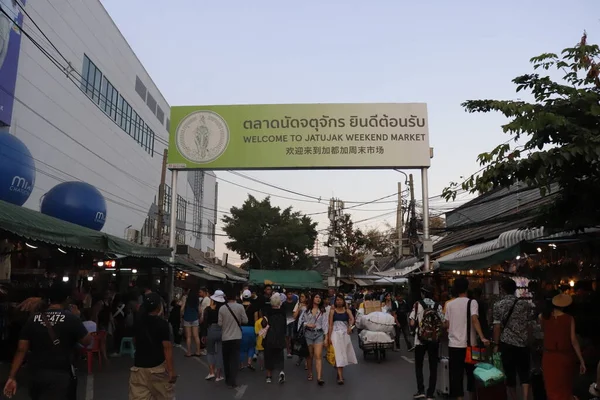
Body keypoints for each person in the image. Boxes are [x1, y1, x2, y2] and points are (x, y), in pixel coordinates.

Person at [3, 282, 92, 400]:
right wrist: (78, 317)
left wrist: (12, 377)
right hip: (60, 374)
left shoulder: (33, 318)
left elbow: (21, 349)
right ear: (67, 299)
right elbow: (86, 341)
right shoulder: (71, 318)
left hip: (35, 374)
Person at [444, 277, 490, 400]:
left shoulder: (449, 304)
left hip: (454, 345)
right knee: (471, 374)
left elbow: (447, 324)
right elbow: (475, 319)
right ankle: (471, 397)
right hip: (470, 345)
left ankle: (460, 398)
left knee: (456, 375)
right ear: (467, 288)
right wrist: (482, 337)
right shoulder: (472, 302)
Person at [129, 292, 177, 400]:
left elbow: (134, 341)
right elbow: (167, 348)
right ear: (159, 307)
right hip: (157, 369)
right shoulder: (162, 324)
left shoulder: (138, 321)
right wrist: (171, 370)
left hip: (138, 369)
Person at [493, 278, 534, 400]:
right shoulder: (525, 304)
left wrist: (496, 344)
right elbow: (529, 325)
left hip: (507, 343)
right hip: (523, 343)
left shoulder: (498, 305)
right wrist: (529, 340)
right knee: (524, 373)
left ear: (503, 290)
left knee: (510, 374)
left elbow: (497, 326)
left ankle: (514, 398)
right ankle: (525, 398)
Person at [540, 293, 585, 400]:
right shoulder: (569, 319)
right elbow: (573, 340)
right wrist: (581, 360)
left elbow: (543, 332)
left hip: (548, 357)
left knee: (551, 388)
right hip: (564, 357)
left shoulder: (543, 317)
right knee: (565, 387)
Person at [409, 284, 443, 400]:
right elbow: (442, 322)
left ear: (423, 293)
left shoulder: (418, 304)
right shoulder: (438, 306)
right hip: (434, 340)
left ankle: (421, 390)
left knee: (419, 365)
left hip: (420, 339)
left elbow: (412, 322)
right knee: (433, 367)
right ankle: (430, 393)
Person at [218, 288, 248, 389]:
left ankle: (227, 379)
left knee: (226, 359)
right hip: (237, 337)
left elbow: (220, 324)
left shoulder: (222, 308)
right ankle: (233, 380)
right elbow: (245, 320)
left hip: (225, 337)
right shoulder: (240, 307)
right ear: (235, 297)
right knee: (235, 359)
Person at [327, 293, 357, 385]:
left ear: (343, 301)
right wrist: (328, 337)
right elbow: (330, 325)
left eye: (340, 300)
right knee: (338, 354)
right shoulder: (332, 311)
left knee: (343, 354)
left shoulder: (347, 311)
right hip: (335, 334)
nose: (339, 301)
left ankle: (339, 370)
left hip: (344, 335)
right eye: (337, 300)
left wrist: (350, 327)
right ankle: (340, 377)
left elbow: (352, 319)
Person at [299, 293, 329, 385]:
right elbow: (300, 321)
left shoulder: (323, 311)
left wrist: (326, 337)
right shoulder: (305, 309)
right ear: (312, 299)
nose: (318, 299)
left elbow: (325, 324)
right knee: (309, 356)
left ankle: (319, 377)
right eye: (316, 297)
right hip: (308, 334)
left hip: (318, 334)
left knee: (318, 355)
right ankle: (310, 373)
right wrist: (307, 324)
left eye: (320, 297)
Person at [262, 293, 288, 384]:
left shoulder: (268, 311)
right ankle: (281, 372)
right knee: (280, 355)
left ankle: (269, 376)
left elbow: (263, 324)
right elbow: (285, 326)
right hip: (280, 337)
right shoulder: (283, 312)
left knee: (269, 356)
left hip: (269, 337)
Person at [204, 291, 225, 382]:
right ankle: (219, 375)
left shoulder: (207, 309)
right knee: (220, 352)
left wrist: (203, 334)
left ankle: (211, 372)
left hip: (211, 330)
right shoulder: (223, 309)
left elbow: (204, 322)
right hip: (221, 330)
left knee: (210, 352)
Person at [240, 290, 257, 370]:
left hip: (241, 328)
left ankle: (242, 364)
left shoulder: (239, 306)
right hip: (251, 328)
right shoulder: (254, 307)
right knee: (251, 346)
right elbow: (256, 319)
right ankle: (249, 362)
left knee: (241, 347)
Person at [182, 288, 201, 357]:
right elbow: (200, 311)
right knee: (196, 336)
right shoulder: (197, 300)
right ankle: (198, 351)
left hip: (187, 319)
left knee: (188, 337)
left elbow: (181, 309)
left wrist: (182, 314)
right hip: (195, 318)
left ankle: (189, 352)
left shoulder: (186, 299)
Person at [283, 290, 298, 358]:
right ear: (286, 295)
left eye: (291, 294)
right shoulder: (284, 303)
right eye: (289, 294)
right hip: (286, 321)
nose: (290, 295)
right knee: (286, 337)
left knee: (292, 336)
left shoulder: (295, 303)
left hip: (293, 321)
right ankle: (288, 351)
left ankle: (291, 349)